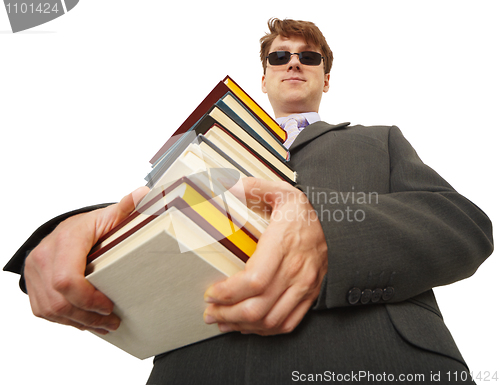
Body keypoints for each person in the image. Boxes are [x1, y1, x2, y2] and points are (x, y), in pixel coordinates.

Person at [4, 18, 493, 384]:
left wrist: (326, 232)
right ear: (263, 79)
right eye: (278, 57)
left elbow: (461, 224)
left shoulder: (379, 139)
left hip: (379, 362)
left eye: (309, 56)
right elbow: (152, 214)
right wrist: (74, 232)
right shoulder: (201, 146)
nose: (294, 63)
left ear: (327, 79)